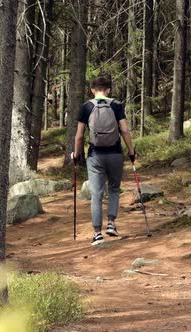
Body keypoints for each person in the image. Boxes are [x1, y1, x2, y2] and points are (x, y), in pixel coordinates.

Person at [72, 77, 135, 246]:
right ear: (108, 90)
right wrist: (131, 150)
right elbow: (125, 130)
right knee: (114, 189)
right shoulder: (116, 105)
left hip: (95, 156)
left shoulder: (86, 107)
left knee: (97, 194)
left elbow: (79, 136)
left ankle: (97, 233)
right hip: (115, 154)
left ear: (93, 90)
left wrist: (76, 155)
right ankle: (111, 224)